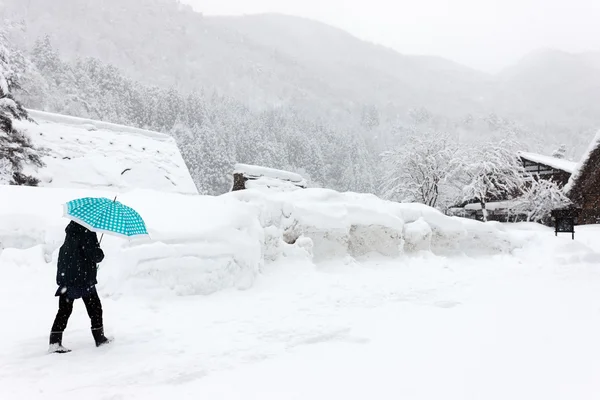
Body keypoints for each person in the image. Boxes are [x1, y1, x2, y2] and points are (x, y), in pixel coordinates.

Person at [49, 221, 111, 353]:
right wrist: (99, 252)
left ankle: (54, 341)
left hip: (69, 279)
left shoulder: (70, 234)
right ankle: (99, 337)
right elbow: (95, 255)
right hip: (83, 279)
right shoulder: (87, 232)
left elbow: (66, 256)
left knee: (64, 310)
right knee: (95, 308)